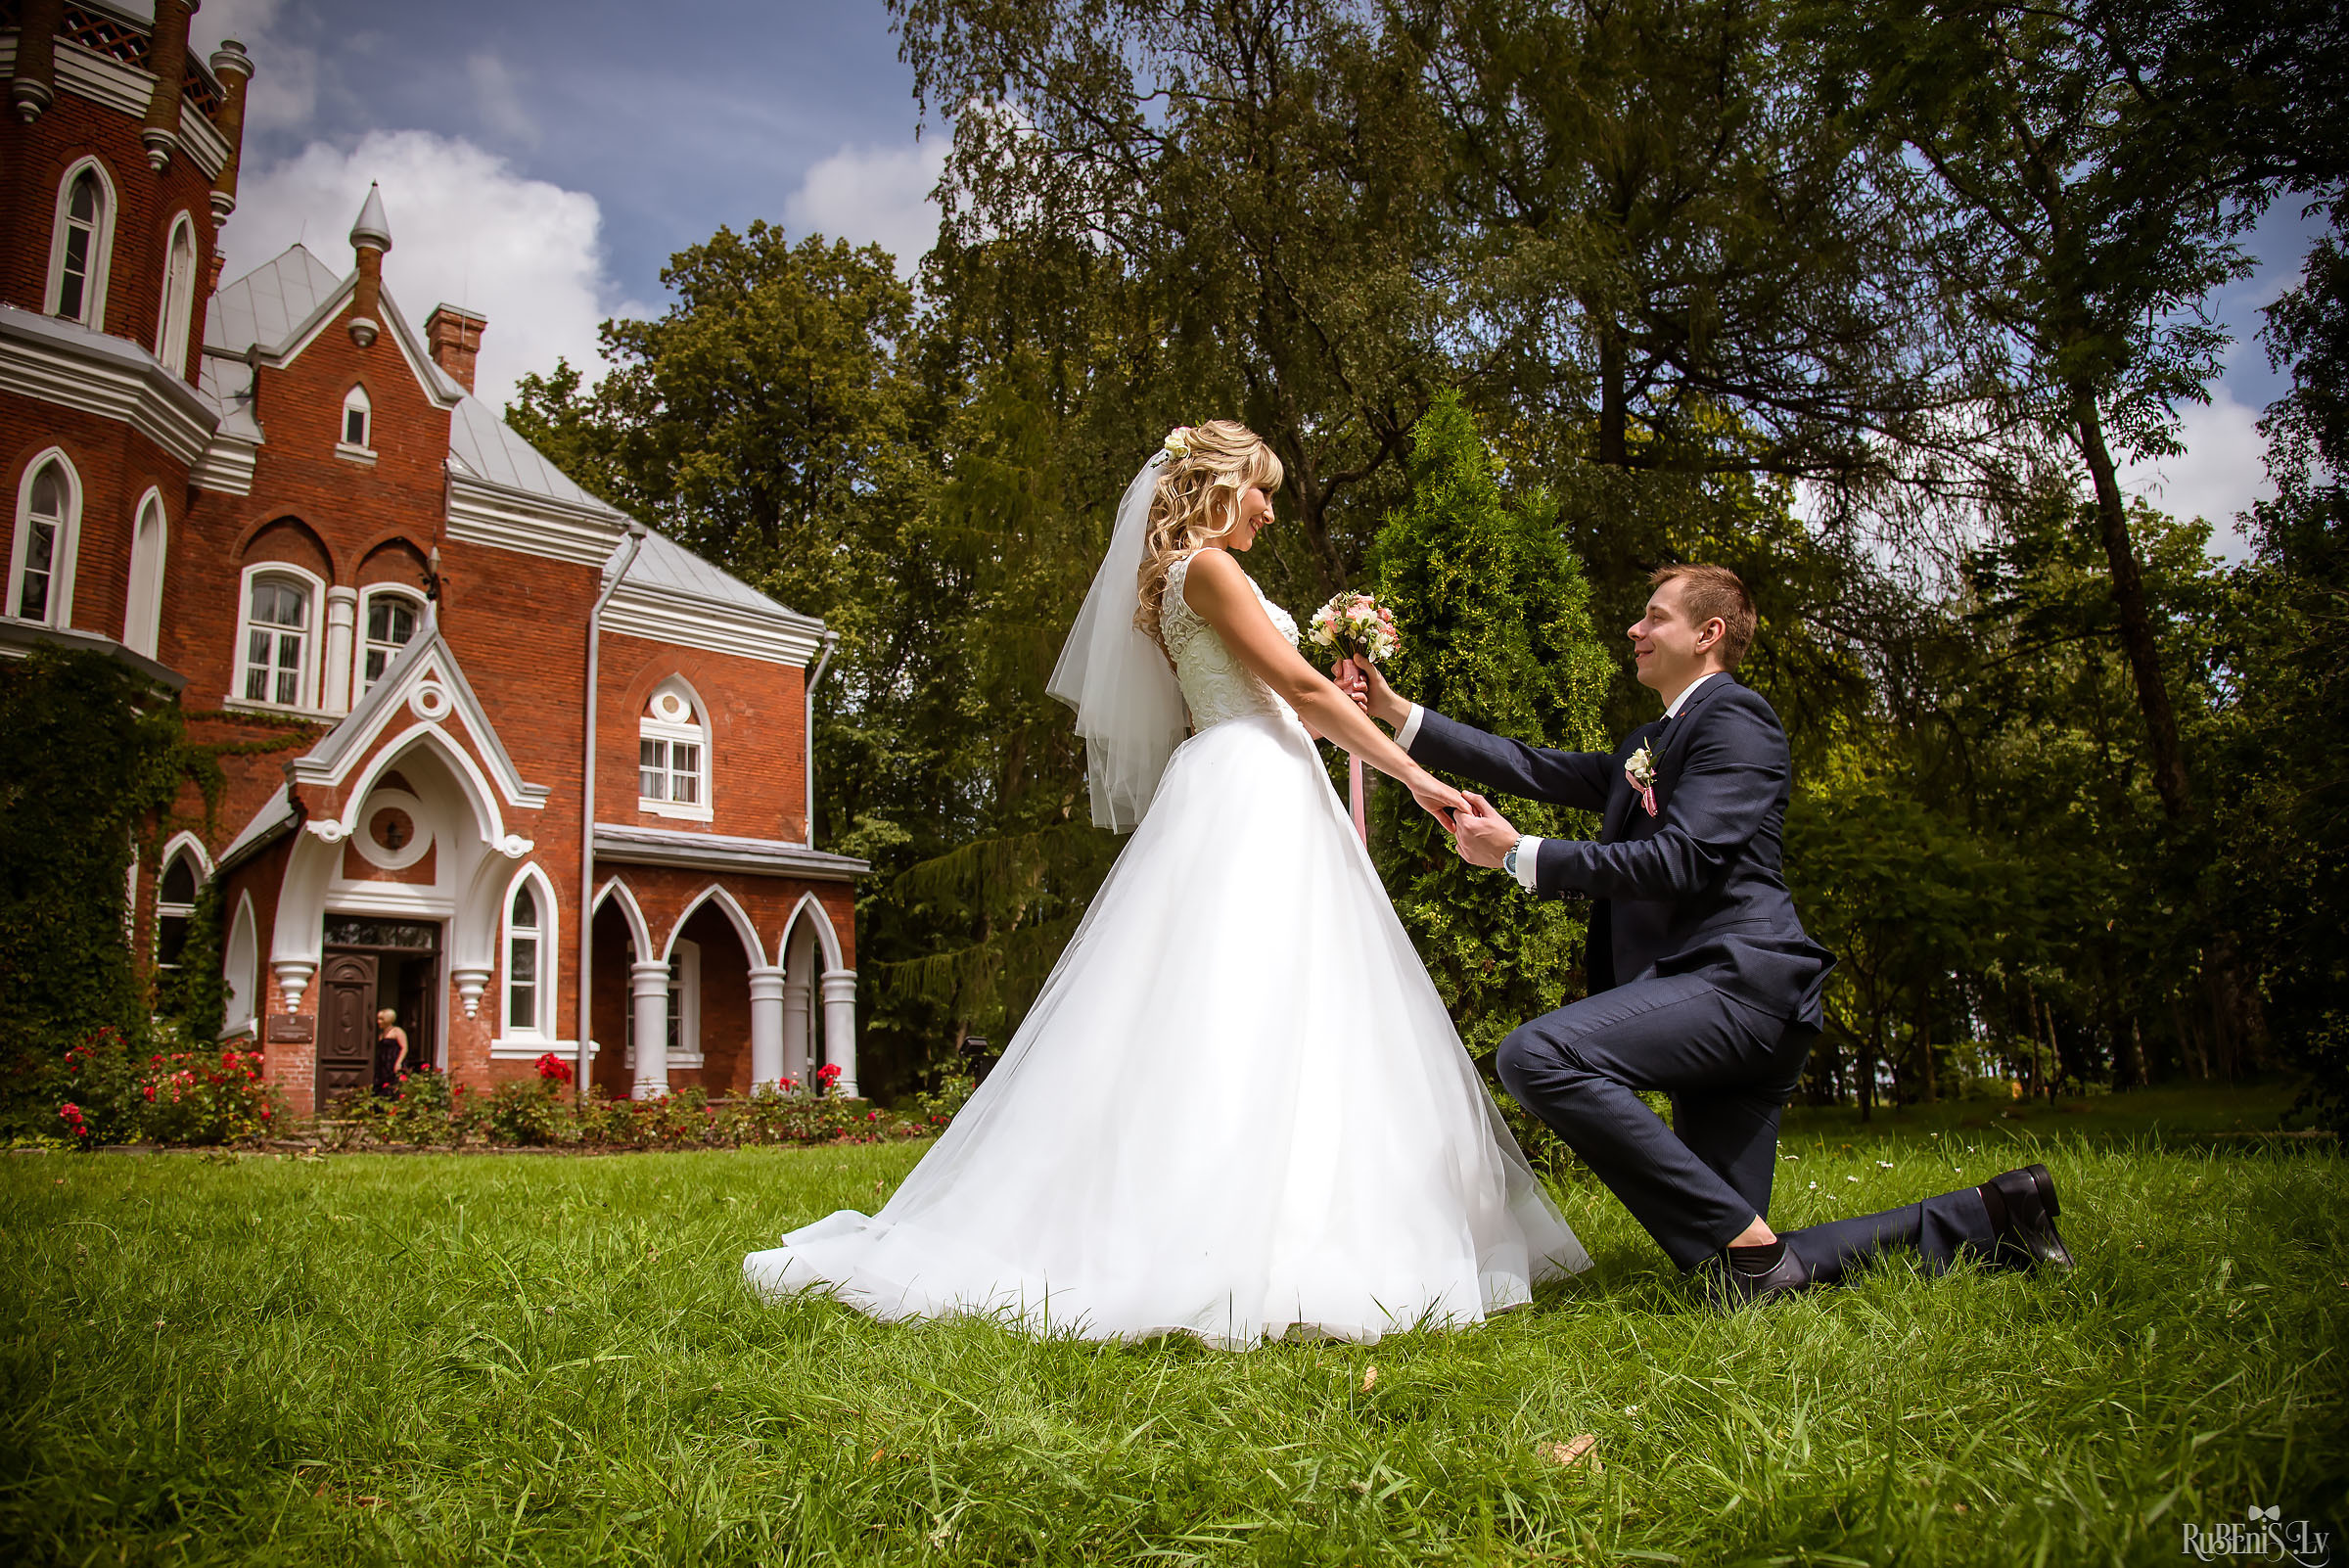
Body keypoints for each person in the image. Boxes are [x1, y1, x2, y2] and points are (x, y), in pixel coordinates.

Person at [744, 422, 1588, 1346]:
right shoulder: (1208, 569)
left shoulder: (1194, 575)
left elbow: (1298, 694)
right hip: (1252, 785)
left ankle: (1305, 1226)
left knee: (1292, 1002)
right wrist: (1420, 781)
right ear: (1218, 486)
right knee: (1240, 1005)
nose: (1270, 506)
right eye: (1260, 488)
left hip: (1265, 780)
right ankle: (1227, 1238)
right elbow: (1302, 696)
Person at [1338, 564, 2072, 1307]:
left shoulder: (1735, 719)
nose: (1635, 629)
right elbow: (1537, 767)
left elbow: (1681, 860)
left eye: (1655, 616)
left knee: (1537, 1054)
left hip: (1742, 986)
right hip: (1715, 998)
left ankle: (1761, 1251)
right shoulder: (1657, 737)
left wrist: (1519, 855)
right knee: (1736, 1268)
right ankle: (1994, 1216)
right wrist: (1400, 715)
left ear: (1708, 633)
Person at [372, 1008, 409, 1097]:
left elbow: (404, 1047)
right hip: (383, 1064)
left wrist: (398, 1062)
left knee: (393, 1086)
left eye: (381, 1019)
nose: (379, 1022)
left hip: (393, 1062)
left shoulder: (397, 1031)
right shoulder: (381, 1034)